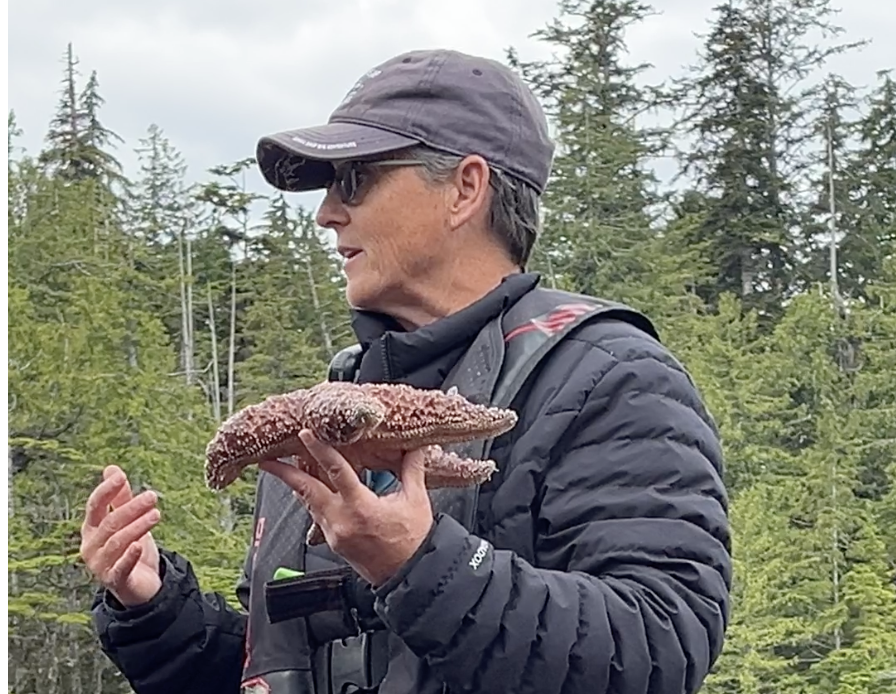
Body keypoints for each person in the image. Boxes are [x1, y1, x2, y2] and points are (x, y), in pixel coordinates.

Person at [82, 48, 732, 694]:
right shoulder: (331, 409)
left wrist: (419, 563)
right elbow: (282, 667)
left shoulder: (604, 376)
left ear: (465, 189)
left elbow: (658, 644)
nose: (327, 212)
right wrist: (156, 609)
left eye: (355, 180)